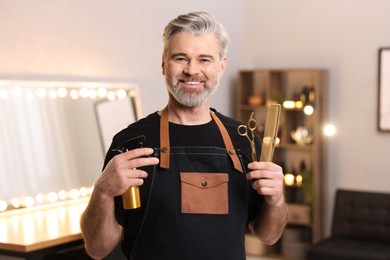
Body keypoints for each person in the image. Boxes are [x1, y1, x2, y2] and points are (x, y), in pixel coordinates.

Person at [80, 11, 288, 260]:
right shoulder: (131, 143)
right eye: (181, 58)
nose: (192, 70)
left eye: (204, 59)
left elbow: (269, 235)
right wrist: (102, 192)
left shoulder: (245, 141)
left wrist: (276, 199)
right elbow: (96, 248)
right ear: (164, 63)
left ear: (221, 66)